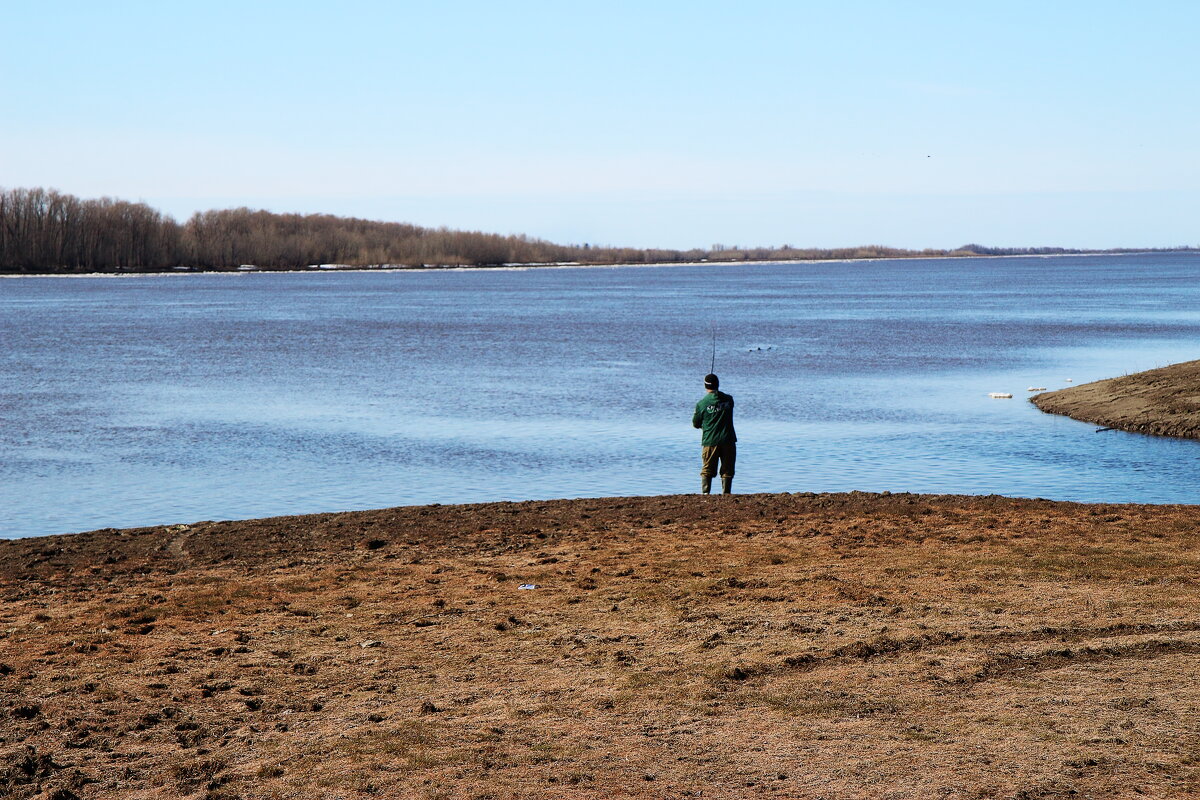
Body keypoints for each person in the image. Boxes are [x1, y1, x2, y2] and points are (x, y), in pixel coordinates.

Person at [692, 373, 736, 494]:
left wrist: (706, 426)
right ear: (718, 384)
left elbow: (695, 424)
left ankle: (706, 494)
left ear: (705, 386)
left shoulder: (701, 404)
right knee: (727, 470)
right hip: (728, 440)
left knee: (707, 470)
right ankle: (726, 493)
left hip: (710, 441)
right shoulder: (729, 400)